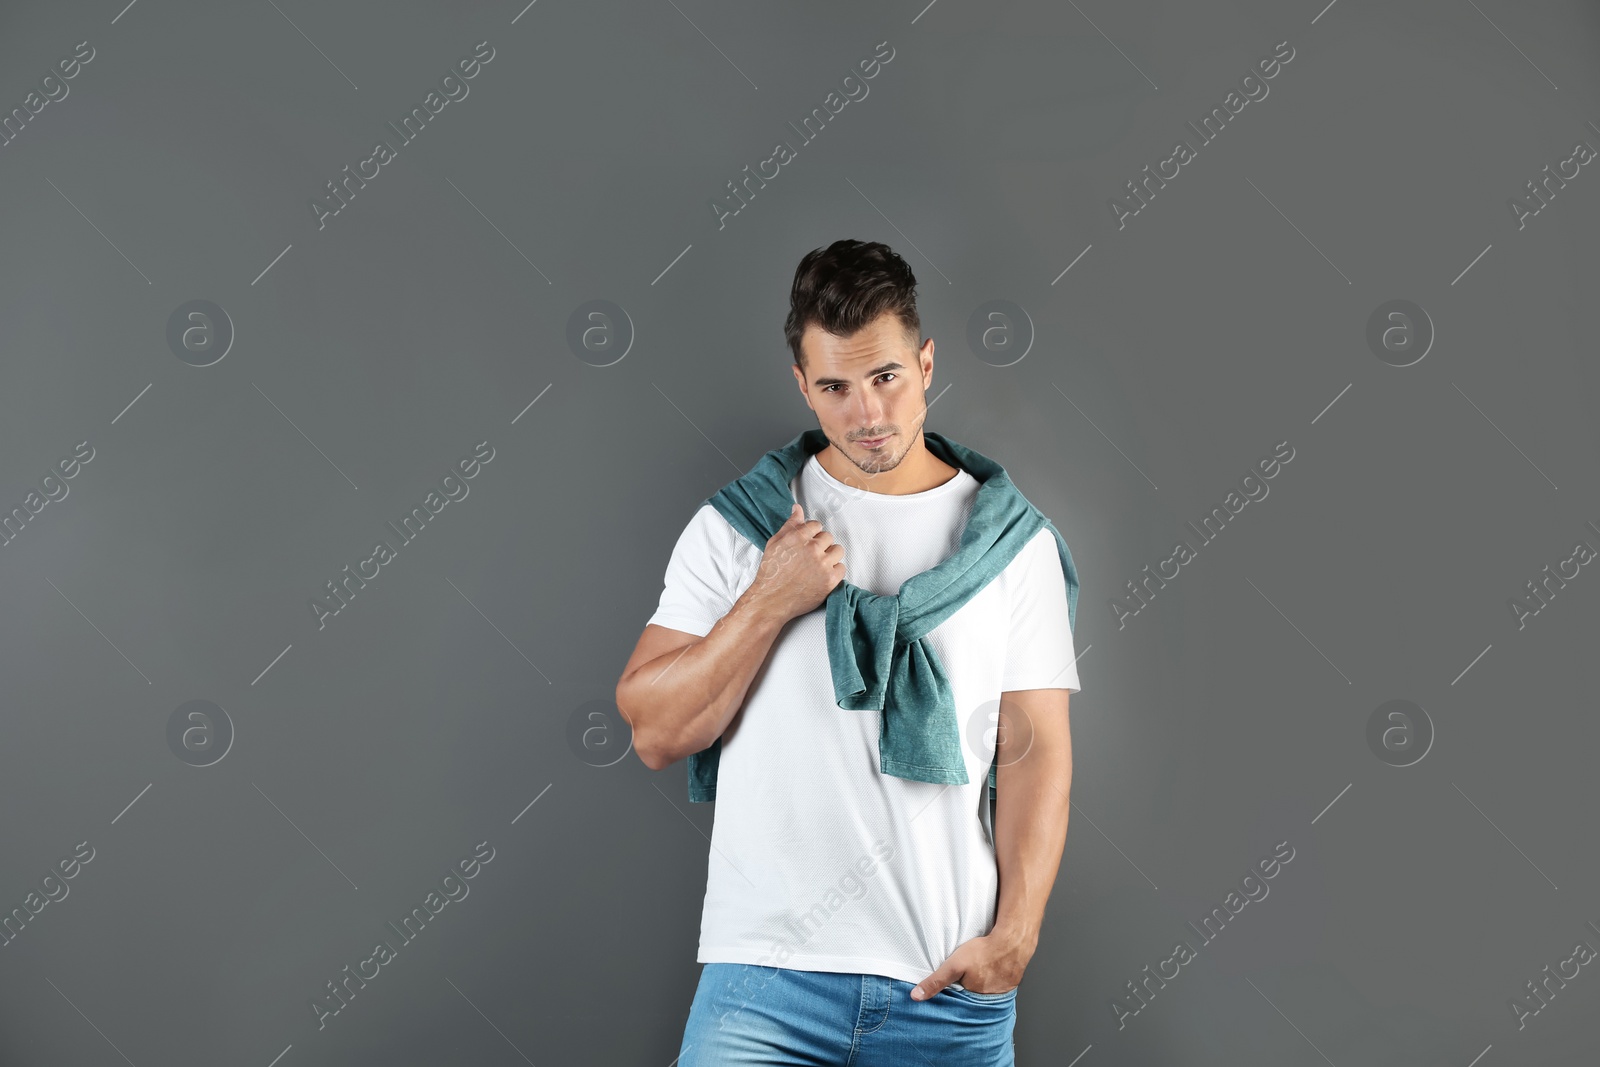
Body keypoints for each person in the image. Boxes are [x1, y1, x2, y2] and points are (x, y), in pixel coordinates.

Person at [615, 239, 1081, 1065]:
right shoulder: (739, 530)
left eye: (886, 377)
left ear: (927, 363)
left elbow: (1034, 751)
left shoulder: (1011, 544)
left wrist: (1016, 936)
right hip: (765, 987)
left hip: (945, 991)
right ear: (802, 384)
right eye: (834, 386)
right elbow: (654, 728)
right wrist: (769, 598)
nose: (867, 413)